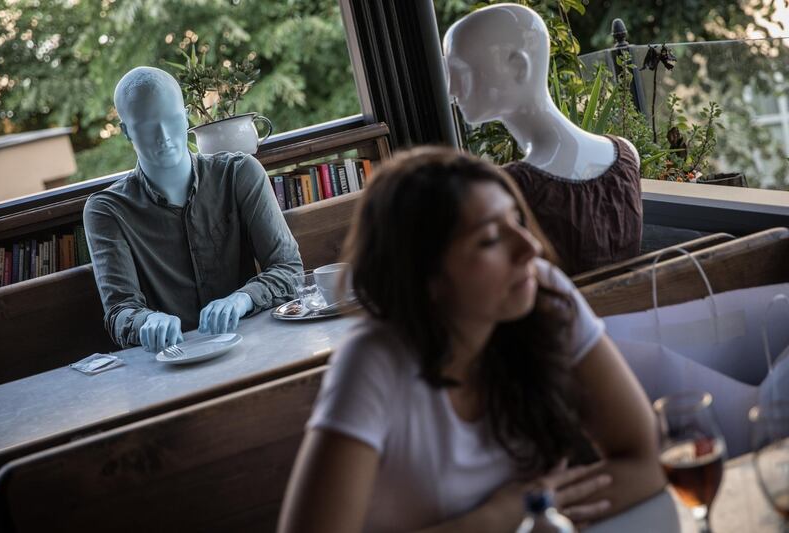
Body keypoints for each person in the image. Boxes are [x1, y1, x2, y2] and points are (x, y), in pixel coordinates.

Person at [278, 147, 664, 533]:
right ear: (425, 275)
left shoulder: (541, 292)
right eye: (491, 239)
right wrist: (503, 517)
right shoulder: (374, 359)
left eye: (517, 221)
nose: (529, 248)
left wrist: (544, 515)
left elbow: (647, 462)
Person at [84, 66, 302, 353]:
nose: (163, 136)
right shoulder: (107, 210)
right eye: (147, 126)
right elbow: (119, 312)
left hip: (255, 347)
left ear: (186, 114)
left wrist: (242, 299)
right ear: (126, 132)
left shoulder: (239, 174)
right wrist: (147, 321)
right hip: (172, 363)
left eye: (172, 119)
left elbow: (289, 269)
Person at [443, 4, 643, 275]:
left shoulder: (509, 188)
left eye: (461, 72)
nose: (452, 89)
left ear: (518, 67)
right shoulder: (626, 155)